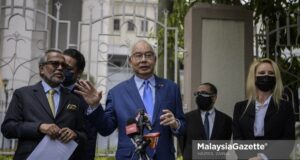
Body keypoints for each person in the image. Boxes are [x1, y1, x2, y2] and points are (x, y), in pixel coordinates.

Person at [75, 39, 186, 159]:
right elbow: (106, 129)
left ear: (155, 60)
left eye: (148, 55)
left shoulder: (171, 88)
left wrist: (175, 124)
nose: (143, 59)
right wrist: (95, 106)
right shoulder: (117, 93)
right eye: (138, 56)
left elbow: (183, 127)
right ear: (130, 61)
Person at [1, 49, 87, 159]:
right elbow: (8, 128)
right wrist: (39, 127)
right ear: (42, 69)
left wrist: (75, 134)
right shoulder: (23, 94)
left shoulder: (74, 99)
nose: (60, 68)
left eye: (64, 65)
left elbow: (84, 135)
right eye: (55, 63)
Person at [232, 58, 295, 159]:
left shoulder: (285, 107)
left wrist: (263, 157)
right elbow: (238, 139)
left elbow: (288, 140)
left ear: (276, 77)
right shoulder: (240, 107)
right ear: (254, 77)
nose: (266, 76)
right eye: (261, 73)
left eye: (271, 73)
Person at [178, 82, 232, 160]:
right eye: (198, 93)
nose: (200, 96)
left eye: (204, 93)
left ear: (214, 98)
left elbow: (225, 145)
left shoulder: (226, 120)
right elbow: (182, 143)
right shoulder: (187, 118)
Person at [62, 48, 98, 160]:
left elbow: (90, 136)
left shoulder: (86, 97)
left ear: (78, 73)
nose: (61, 69)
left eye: (68, 68)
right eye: (60, 65)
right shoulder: (46, 92)